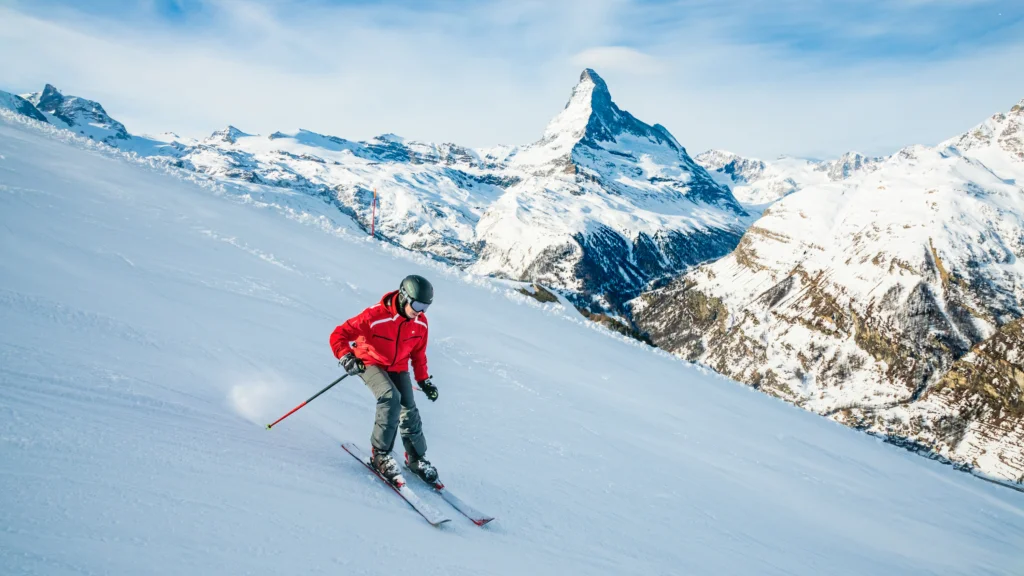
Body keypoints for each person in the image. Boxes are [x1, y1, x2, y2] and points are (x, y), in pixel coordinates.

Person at [330, 274, 440, 484]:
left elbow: (418, 355)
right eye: (417, 305)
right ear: (403, 296)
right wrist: (346, 357)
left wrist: (424, 380)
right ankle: (380, 455)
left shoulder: (421, 324)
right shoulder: (374, 316)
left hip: (397, 366)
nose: (420, 312)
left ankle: (416, 458)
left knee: (408, 407)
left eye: (425, 307)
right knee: (390, 398)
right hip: (368, 361)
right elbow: (338, 335)